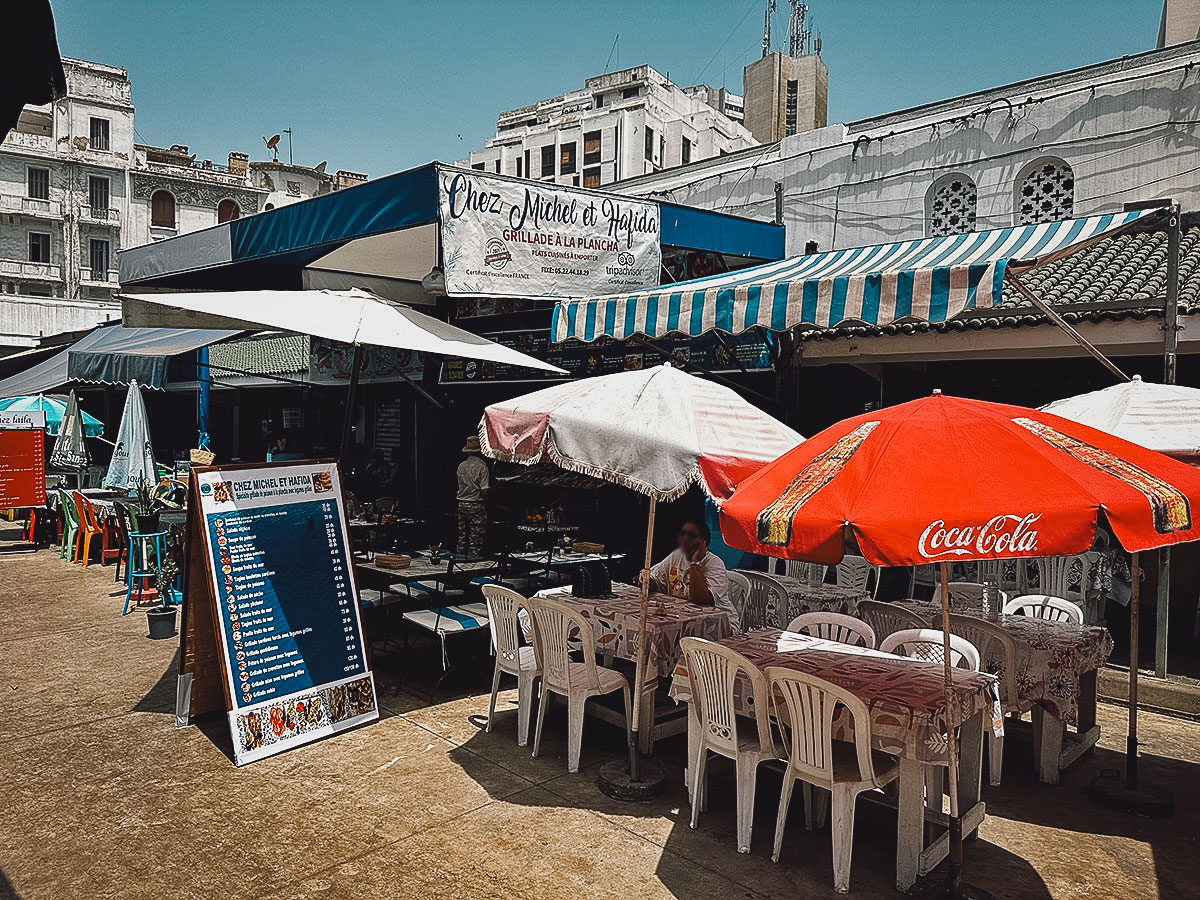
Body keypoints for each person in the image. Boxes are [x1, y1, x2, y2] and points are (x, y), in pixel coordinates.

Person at [645, 517, 738, 631]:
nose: (684, 539)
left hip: (719, 624)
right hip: (681, 619)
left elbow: (700, 599)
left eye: (691, 536)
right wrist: (646, 581)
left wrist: (694, 563)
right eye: (683, 534)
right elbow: (657, 580)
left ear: (703, 542)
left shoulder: (714, 564)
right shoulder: (676, 555)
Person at [456, 435, 490, 557]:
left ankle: (458, 559)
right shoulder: (482, 467)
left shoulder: (461, 466)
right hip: (476, 504)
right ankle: (472, 563)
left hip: (461, 503)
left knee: (462, 535)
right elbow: (484, 491)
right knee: (475, 537)